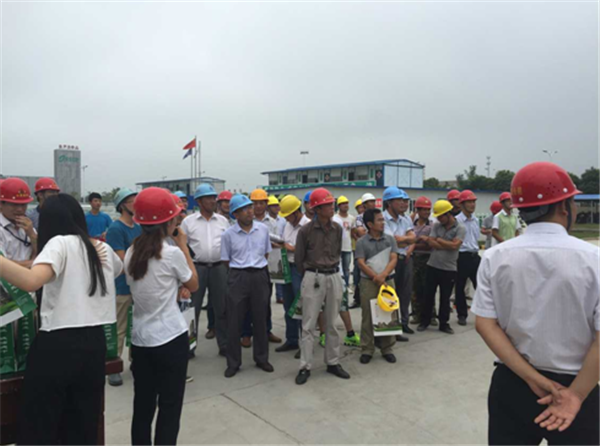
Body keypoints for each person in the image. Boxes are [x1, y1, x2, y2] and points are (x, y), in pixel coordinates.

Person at [471, 162, 599, 445]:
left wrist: (531, 378)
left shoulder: (495, 257)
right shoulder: (594, 260)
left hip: (513, 383)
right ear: (564, 207)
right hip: (577, 384)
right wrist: (576, 395)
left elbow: (485, 324)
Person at [0, 193, 122, 445]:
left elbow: (32, 281)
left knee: (41, 423)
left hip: (58, 345)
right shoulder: (102, 248)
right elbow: (117, 270)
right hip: (95, 343)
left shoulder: (60, 243)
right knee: (83, 422)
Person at [125, 187, 199, 445]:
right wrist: (183, 246)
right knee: (169, 406)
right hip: (169, 338)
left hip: (141, 340)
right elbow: (193, 284)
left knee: (143, 406)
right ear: (167, 222)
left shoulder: (132, 252)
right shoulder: (171, 253)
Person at [295, 188, 350, 385]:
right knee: (309, 324)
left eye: (331, 204)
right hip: (313, 275)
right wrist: (311, 274)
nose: (331, 207)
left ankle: (333, 362)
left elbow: (338, 252)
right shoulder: (305, 231)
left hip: (333, 274)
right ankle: (305, 366)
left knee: (332, 323)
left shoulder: (337, 229)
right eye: (327, 205)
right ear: (317, 209)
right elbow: (299, 259)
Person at [221, 194, 274, 378]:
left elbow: (266, 253)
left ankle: (261, 358)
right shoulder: (228, 234)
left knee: (260, 318)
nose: (250, 211)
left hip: (259, 275)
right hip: (238, 276)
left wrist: (255, 268)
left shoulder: (263, 230)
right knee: (234, 321)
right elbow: (226, 260)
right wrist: (241, 271)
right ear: (235, 214)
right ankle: (233, 362)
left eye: (250, 207)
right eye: (244, 209)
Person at [181, 183, 230, 357]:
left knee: (222, 308)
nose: (212, 201)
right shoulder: (188, 222)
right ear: (199, 201)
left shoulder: (223, 221)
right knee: (192, 308)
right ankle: (189, 346)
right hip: (197, 268)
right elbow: (182, 246)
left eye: (213, 197)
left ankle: (224, 345)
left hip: (219, 268)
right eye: (208, 198)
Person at [105, 188, 141, 387]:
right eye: (131, 201)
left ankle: (135, 361)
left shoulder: (138, 227)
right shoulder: (116, 229)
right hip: (122, 286)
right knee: (119, 328)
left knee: (137, 327)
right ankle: (114, 366)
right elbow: (121, 259)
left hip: (139, 284)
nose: (135, 204)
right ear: (122, 206)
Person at [355, 208, 398, 364]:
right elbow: (361, 263)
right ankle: (367, 349)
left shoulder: (390, 239)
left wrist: (383, 275)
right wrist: (375, 277)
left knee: (388, 314)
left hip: (388, 281)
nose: (383, 222)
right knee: (368, 315)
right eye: (379, 220)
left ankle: (387, 348)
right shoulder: (361, 242)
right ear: (370, 224)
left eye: (382, 219)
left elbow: (394, 258)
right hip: (368, 283)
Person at [417, 200, 465, 335]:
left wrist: (439, 240)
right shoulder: (437, 226)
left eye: (441, 216)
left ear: (448, 214)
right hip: (433, 265)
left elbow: (455, 246)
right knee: (428, 295)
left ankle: (444, 323)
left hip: (449, 268)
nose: (438, 219)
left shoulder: (460, 228)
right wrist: (444, 243)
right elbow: (431, 243)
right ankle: (425, 321)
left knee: (445, 298)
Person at [275, 195, 310, 356]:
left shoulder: (308, 226)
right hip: (287, 267)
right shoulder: (287, 225)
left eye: (288, 215)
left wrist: (290, 248)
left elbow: (310, 249)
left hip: (300, 269)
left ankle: (305, 343)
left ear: (296, 212)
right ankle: (292, 339)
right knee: (288, 305)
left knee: (301, 306)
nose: (286, 218)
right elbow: (284, 242)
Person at [382, 186, 415, 340]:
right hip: (390, 261)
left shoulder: (405, 219)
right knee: (391, 295)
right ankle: (392, 328)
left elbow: (413, 238)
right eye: (399, 200)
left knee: (405, 293)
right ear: (389, 203)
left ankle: (404, 323)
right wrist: (405, 240)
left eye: (404, 200)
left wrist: (404, 240)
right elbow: (392, 242)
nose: (403, 203)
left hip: (405, 259)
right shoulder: (382, 219)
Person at [407, 196, 436, 326]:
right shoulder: (410, 224)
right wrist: (417, 242)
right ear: (417, 210)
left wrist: (414, 243)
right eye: (423, 209)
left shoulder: (432, 225)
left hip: (427, 258)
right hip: (413, 258)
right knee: (415, 288)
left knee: (428, 288)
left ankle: (431, 315)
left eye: (428, 210)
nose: (426, 212)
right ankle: (416, 314)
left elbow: (430, 245)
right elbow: (408, 241)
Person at [455, 190, 480, 326]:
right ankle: (462, 314)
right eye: (469, 202)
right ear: (462, 204)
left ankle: (484, 313)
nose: (472, 205)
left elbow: (476, 238)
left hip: (475, 255)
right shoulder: (457, 221)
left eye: (473, 202)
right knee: (460, 287)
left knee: (481, 286)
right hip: (462, 256)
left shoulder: (475, 220)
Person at [0, 178, 37, 266]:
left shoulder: (28, 226)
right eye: (14, 204)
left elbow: (40, 254)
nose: (20, 209)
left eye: (23, 204)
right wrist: (33, 264)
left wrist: (32, 235)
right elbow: (3, 265)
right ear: (1, 204)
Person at [333, 195, 355, 289]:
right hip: (336, 248)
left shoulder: (351, 218)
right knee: (337, 269)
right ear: (338, 206)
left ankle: (346, 288)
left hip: (347, 247)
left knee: (346, 269)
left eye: (347, 203)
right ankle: (338, 287)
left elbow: (353, 233)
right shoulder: (334, 218)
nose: (345, 205)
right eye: (343, 204)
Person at [267, 195, 287, 304]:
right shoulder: (266, 220)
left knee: (279, 272)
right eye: (273, 205)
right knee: (269, 275)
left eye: (277, 205)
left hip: (280, 249)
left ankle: (280, 296)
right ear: (268, 207)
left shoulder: (282, 220)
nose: (276, 207)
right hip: (268, 250)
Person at [349, 198, 365, 309]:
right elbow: (353, 232)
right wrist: (359, 240)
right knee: (357, 273)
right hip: (357, 249)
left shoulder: (369, 217)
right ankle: (357, 298)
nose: (361, 209)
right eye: (359, 207)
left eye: (362, 207)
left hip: (367, 250)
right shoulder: (357, 219)